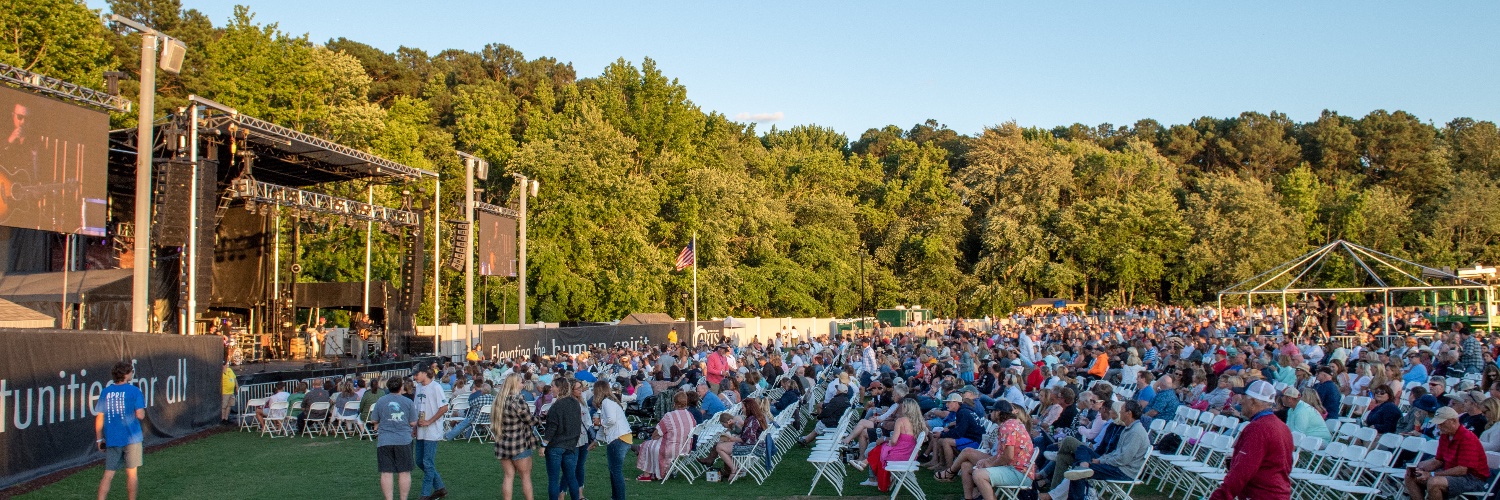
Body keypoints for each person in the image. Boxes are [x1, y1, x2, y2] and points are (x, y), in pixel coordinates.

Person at [1039, 401, 1149, 500]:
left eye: (1122, 409)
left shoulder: (1135, 433)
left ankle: (1055, 495)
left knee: (1079, 471)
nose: (1120, 411)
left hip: (1124, 471)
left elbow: (1122, 459)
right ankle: (1055, 493)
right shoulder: (1129, 429)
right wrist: (1101, 459)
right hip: (1118, 465)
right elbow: (1116, 454)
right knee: (1081, 455)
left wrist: (1101, 461)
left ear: (1129, 413)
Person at [1210, 380, 1293, 500]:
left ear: (1252, 401)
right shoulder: (1283, 427)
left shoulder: (1258, 428)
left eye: (1243, 397)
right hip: (1279, 493)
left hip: (1261, 495)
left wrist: (1219, 497)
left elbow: (1242, 471)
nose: (1241, 402)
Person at [1406, 406, 1493, 500]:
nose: (1439, 427)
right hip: (1452, 472)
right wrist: (1420, 468)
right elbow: (1438, 460)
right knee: (1411, 476)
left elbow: (1462, 470)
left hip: (1472, 478)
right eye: (1438, 424)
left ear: (1453, 421)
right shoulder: (1445, 436)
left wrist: (1431, 474)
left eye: (1442, 424)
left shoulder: (1467, 438)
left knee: (1434, 482)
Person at [96, 361, 146, 500]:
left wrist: (99, 439)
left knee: (108, 475)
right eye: (131, 371)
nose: (132, 374)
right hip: (132, 438)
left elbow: (99, 417)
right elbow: (140, 415)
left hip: (113, 438)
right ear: (126, 374)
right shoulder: (135, 391)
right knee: (132, 474)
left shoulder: (106, 392)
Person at [492, 374, 539, 500]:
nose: (523, 384)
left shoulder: (498, 400)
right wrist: (541, 418)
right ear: (514, 384)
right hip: (519, 443)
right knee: (525, 477)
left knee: (508, 476)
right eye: (521, 382)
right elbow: (530, 420)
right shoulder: (517, 400)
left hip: (502, 443)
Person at [372, 376, 416, 500]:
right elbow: (413, 422)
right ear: (401, 387)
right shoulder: (408, 402)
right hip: (403, 440)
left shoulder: (381, 401)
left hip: (385, 440)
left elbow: (374, 419)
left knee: (386, 472)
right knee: (404, 472)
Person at [636, 391, 695, 481]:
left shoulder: (670, 416)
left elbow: (656, 433)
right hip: (685, 448)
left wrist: (655, 439)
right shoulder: (690, 416)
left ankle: (647, 474)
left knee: (646, 445)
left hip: (671, 449)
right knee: (655, 445)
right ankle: (657, 472)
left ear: (674, 403)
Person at [543, 377, 584, 500]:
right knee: (571, 477)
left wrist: (544, 444)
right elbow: (577, 424)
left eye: (553, 386)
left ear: (559, 388)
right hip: (570, 445)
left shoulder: (557, 405)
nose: (551, 389)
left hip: (556, 446)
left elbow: (552, 427)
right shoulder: (575, 403)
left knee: (553, 479)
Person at [412, 368, 450, 500]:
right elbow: (416, 407)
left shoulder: (436, 387)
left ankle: (425, 494)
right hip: (420, 429)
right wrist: (415, 426)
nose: (415, 377)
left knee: (427, 462)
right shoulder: (418, 387)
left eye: (416, 374)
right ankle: (440, 487)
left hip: (432, 430)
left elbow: (444, 407)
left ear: (424, 373)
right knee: (419, 461)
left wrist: (429, 421)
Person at [592, 380, 631, 500]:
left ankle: (619, 497)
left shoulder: (606, 402)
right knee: (613, 470)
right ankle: (615, 496)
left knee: (616, 471)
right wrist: (596, 440)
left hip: (618, 439)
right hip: (622, 438)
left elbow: (611, 420)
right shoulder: (610, 402)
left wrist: (600, 422)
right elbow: (606, 425)